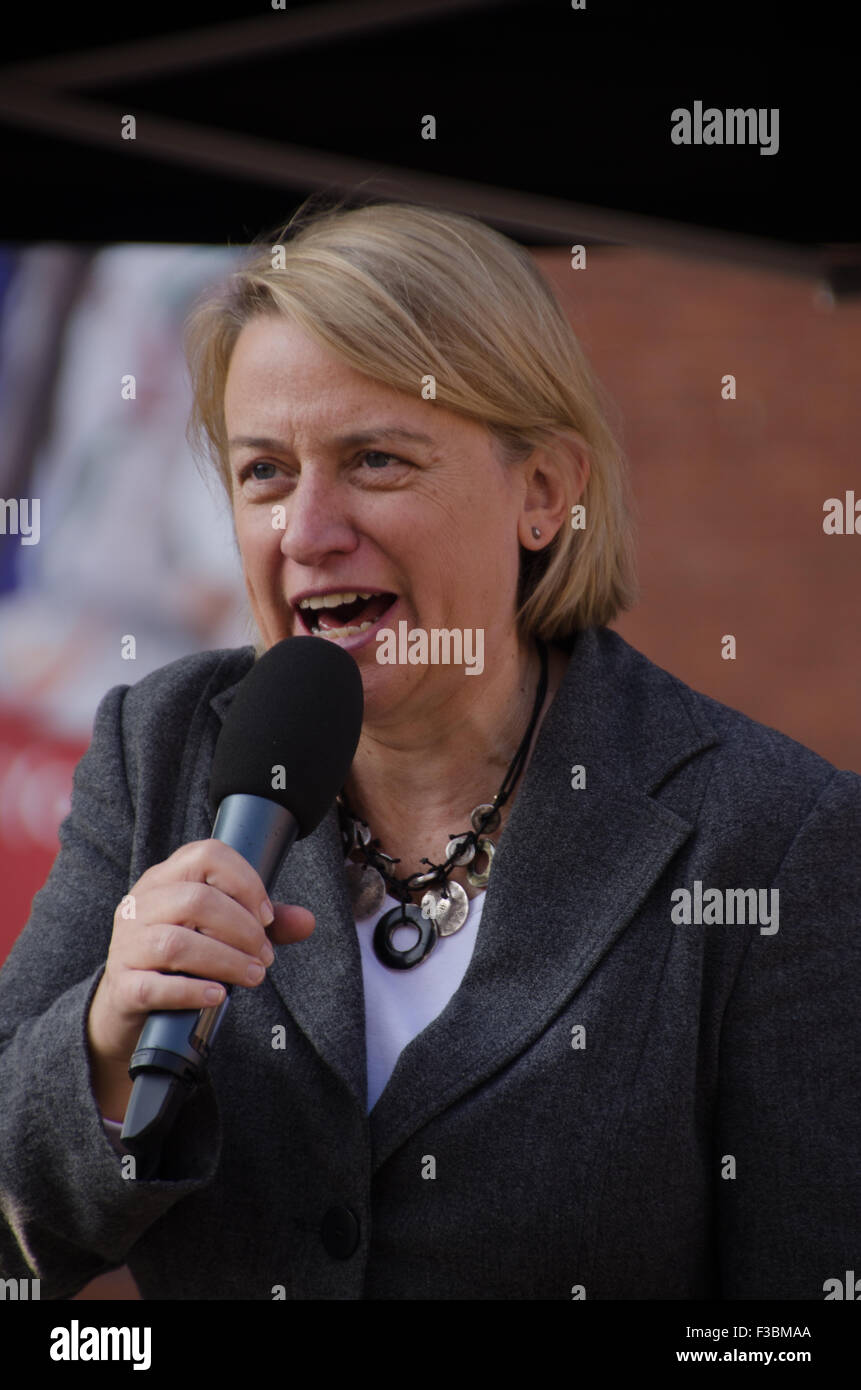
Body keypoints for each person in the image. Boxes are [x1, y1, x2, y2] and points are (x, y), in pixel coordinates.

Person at [0, 199, 857, 1301]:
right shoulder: (154, 752)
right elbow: (16, 1233)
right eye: (264, 472)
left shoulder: (773, 840)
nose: (307, 531)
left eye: (375, 460)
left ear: (543, 493)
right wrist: (107, 1041)